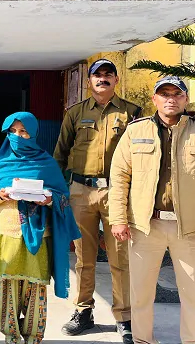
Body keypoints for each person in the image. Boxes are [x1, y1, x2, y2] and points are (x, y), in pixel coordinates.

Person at [109, 76, 195, 344]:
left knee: (194, 296)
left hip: (191, 229)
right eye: (164, 94)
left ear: (186, 99)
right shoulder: (135, 131)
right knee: (140, 294)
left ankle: (193, 342)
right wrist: (118, 218)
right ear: (154, 99)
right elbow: (119, 177)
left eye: (177, 94)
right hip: (145, 226)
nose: (171, 99)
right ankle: (143, 340)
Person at [53, 59, 141, 343]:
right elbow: (60, 153)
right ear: (89, 81)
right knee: (83, 258)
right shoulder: (75, 113)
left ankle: (124, 317)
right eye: (97, 75)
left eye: (108, 74)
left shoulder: (132, 113)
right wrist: (59, 190)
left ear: (116, 79)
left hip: (118, 192)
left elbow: (143, 156)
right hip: (81, 190)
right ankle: (83, 311)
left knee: (120, 258)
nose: (103, 78)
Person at [0, 112, 81, 344]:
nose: (17, 136)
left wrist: (49, 199)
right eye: (12, 131)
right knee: (6, 287)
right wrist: (0, 195)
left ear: (33, 134)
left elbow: (62, 196)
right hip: (6, 233)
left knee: (35, 288)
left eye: (23, 132)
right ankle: (11, 337)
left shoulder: (46, 163)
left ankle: (34, 337)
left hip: (40, 235)